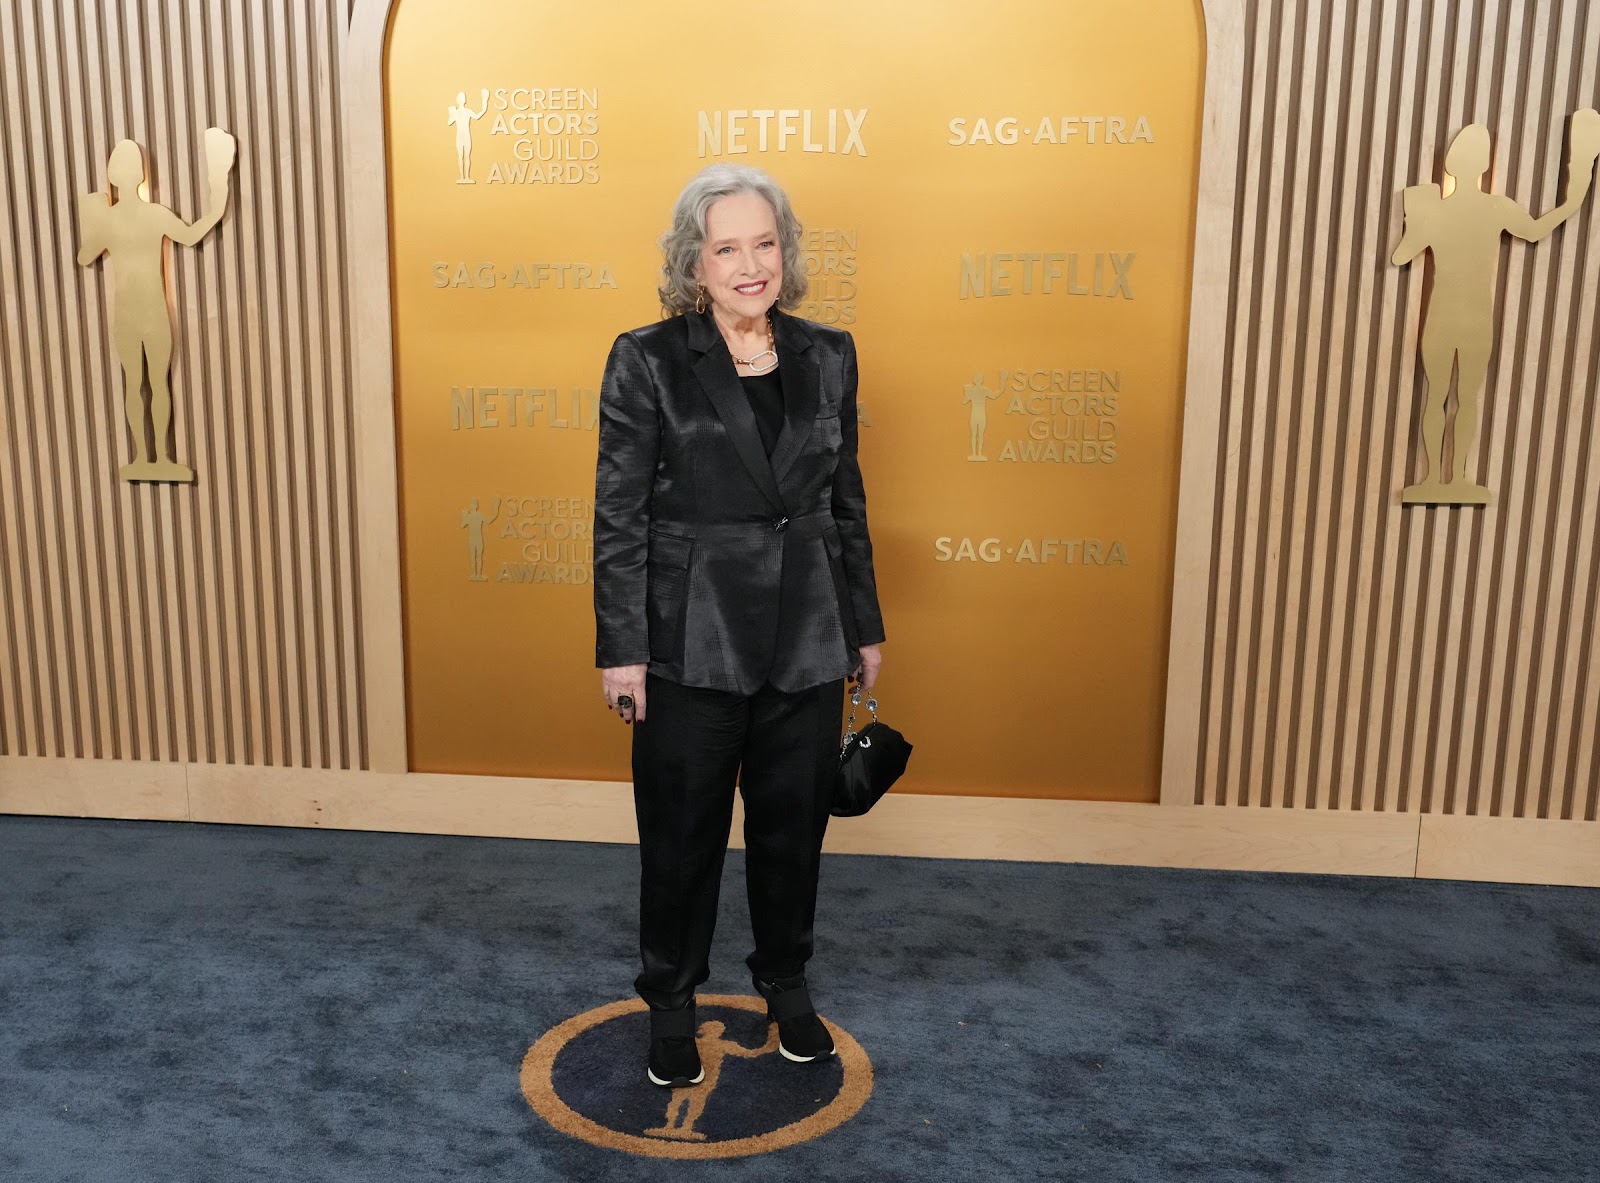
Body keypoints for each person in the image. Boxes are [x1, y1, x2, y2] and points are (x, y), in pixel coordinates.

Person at [592, 163, 885, 1088]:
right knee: (681, 835)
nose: (750, 263)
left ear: (786, 250)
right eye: (727, 247)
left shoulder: (829, 352)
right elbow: (619, 514)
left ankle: (786, 985)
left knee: (794, 830)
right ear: (694, 262)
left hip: (807, 634)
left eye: (765, 242)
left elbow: (846, 502)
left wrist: (863, 624)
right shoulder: (645, 357)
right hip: (691, 639)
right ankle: (672, 1000)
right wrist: (623, 649)